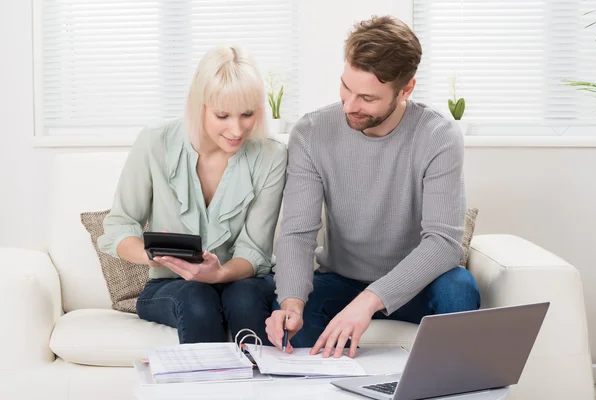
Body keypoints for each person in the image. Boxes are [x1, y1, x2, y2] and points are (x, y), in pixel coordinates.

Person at [265, 16, 480, 358]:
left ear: (406, 89)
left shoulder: (439, 135)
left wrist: (369, 301)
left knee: (459, 287)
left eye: (367, 97)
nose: (350, 106)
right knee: (287, 314)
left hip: (416, 285)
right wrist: (291, 302)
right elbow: (297, 232)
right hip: (339, 280)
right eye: (346, 88)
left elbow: (444, 243)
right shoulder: (311, 132)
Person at [98, 45, 287, 345]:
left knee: (245, 298)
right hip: (170, 285)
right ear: (199, 105)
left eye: (247, 114)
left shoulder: (271, 155)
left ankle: (264, 390)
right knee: (197, 297)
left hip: (239, 280)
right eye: (222, 115)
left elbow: (255, 251)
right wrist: (155, 255)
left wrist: (219, 273)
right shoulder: (155, 141)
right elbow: (121, 226)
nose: (236, 129)